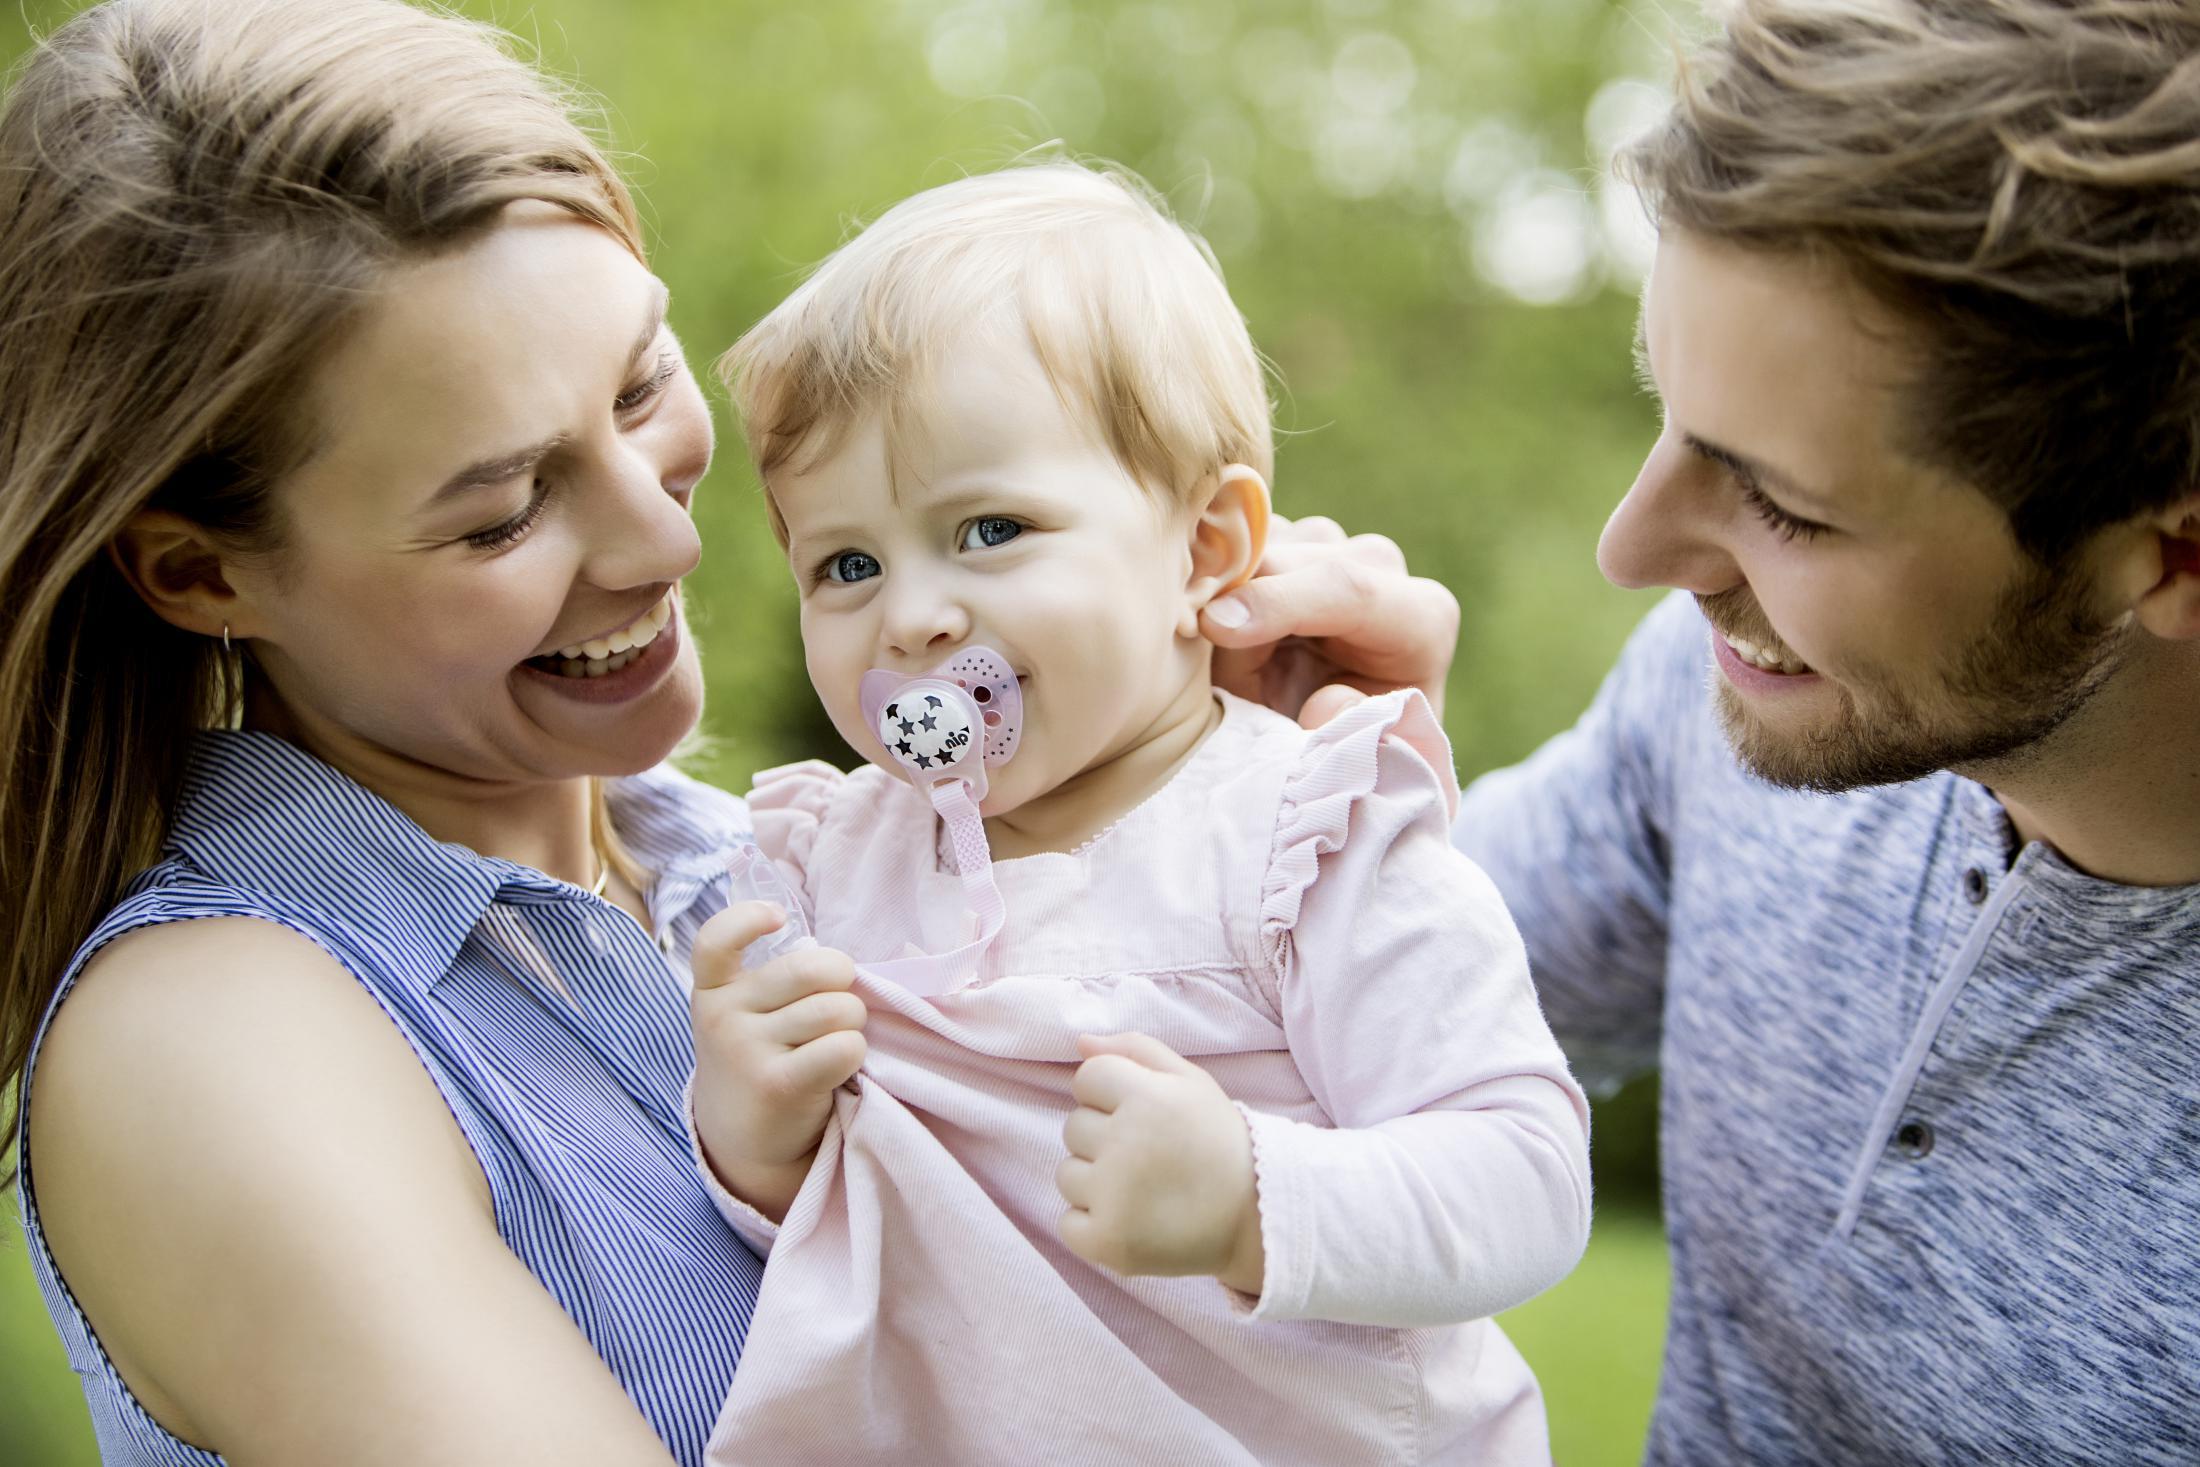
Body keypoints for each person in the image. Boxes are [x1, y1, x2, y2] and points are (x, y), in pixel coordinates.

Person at [0, 4, 1457, 1463]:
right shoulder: (209, 1043)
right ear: (200, 573)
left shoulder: (779, 863)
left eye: (639, 383)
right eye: (502, 508)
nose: (664, 539)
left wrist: (1240, 819)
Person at [686, 163, 1591, 1465]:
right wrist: (751, 1141)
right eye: (847, 563)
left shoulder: (1306, 833)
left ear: (1206, 550)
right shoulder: (830, 868)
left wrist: (1250, 1196)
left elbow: (1527, 1179)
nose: (913, 615)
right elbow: (851, 1240)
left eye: (989, 528)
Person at [1446, 1, 2200, 1462]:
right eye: (1663, 412)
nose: (1637, 549)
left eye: (1782, 505)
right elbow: (1354, 984)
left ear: (2171, 557)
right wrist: (1244, 774)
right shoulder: (1741, 689)